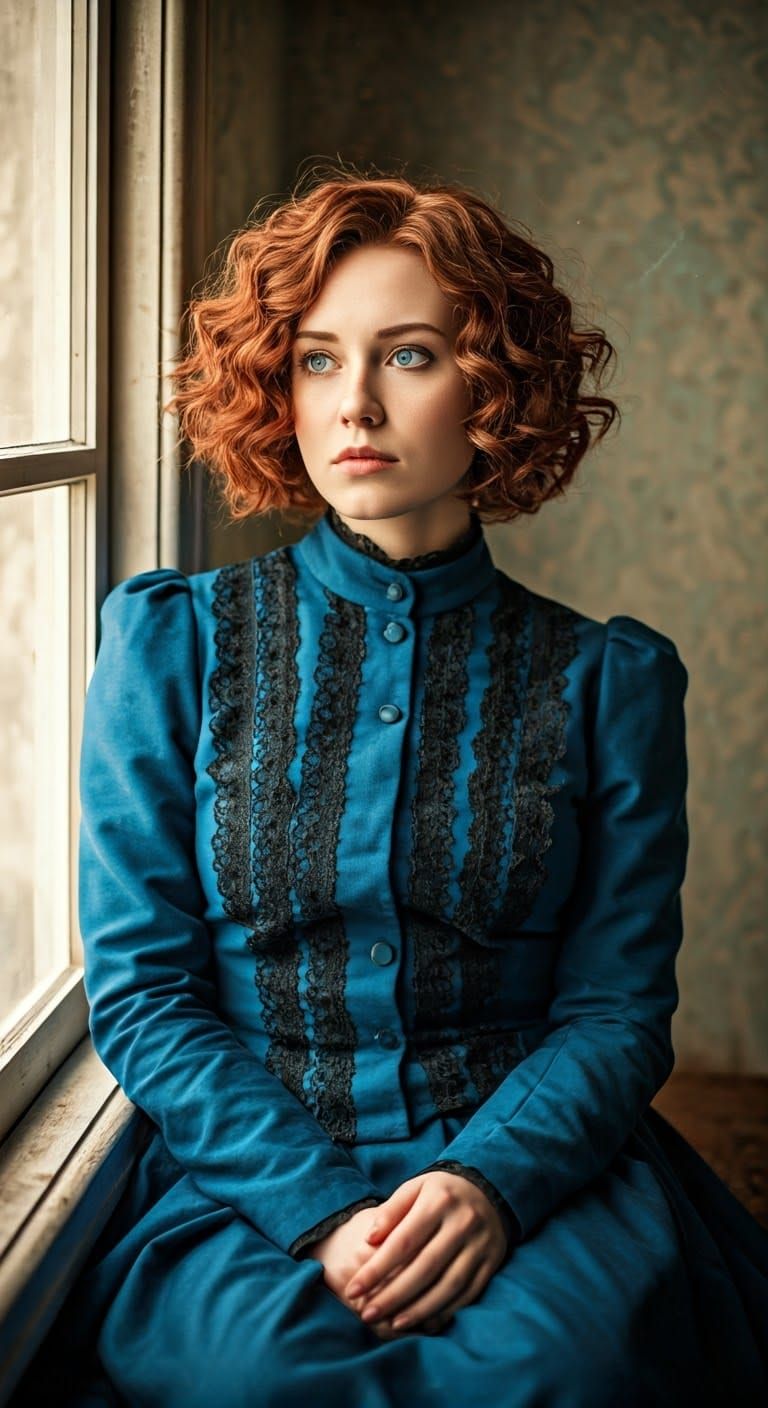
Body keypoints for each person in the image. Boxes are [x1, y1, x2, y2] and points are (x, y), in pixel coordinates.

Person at [33, 163, 768, 1406]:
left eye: (409, 356)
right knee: (254, 1379)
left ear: (494, 388)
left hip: (532, 1163)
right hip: (245, 1176)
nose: (354, 404)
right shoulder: (172, 644)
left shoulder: (610, 682)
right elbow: (146, 991)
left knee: (559, 1372)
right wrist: (319, 1212)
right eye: (317, 360)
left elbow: (617, 1008)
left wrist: (489, 1185)